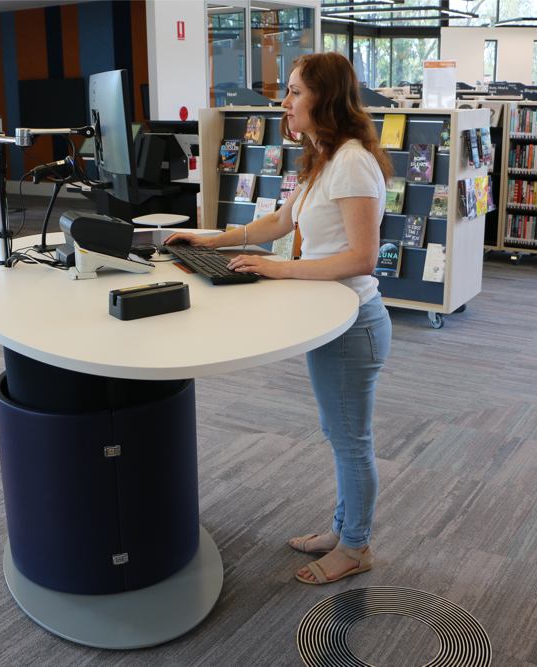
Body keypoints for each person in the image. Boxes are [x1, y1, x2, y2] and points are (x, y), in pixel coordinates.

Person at [166, 52, 393, 585]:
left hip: (354, 320)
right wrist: (209, 239)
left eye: (294, 92)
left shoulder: (354, 161)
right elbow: (276, 221)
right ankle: (344, 528)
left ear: (325, 98)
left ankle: (356, 546)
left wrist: (280, 270)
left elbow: (362, 257)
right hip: (333, 318)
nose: (283, 102)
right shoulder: (324, 158)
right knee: (339, 432)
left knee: (350, 440)